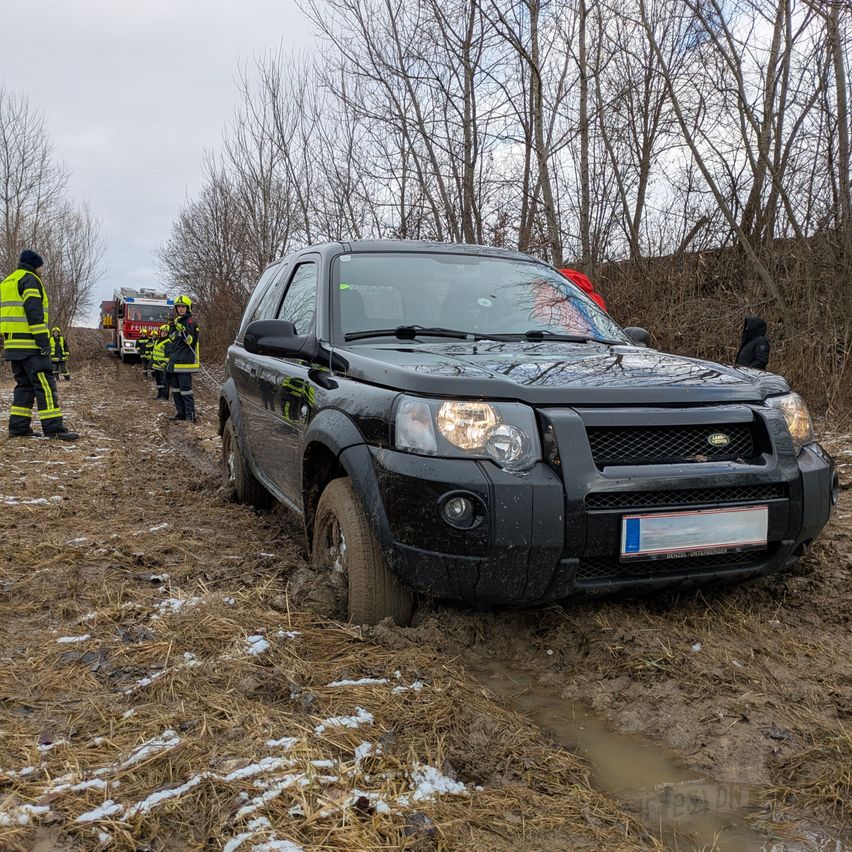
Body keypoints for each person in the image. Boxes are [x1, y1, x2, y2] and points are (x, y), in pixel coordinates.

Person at [0, 250, 79, 439]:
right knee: (45, 386)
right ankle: (54, 429)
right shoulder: (30, 280)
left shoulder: (7, 282)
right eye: (41, 266)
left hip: (12, 345)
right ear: (35, 265)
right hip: (31, 345)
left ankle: (18, 428)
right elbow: (34, 313)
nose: (42, 270)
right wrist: (44, 342)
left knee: (24, 386)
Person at [168, 295, 200, 421]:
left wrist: (183, 331)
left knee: (185, 390)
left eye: (183, 306)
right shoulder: (177, 322)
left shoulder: (190, 322)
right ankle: (180, 413)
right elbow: (172, 338)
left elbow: (189, 341)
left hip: (184, 362)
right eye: (178, 306)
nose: (180, 309)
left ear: (188, 308)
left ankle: (190, 415)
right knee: (176, 390)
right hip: (175, 361)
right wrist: (173, 327)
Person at [151, 324, 172, 400]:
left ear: (168, 334)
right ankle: (159, 395)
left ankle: (164, 396)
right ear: (160, 332)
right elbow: (154, 352)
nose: (164, 333)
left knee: (164, 382)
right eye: (163, 332)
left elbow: (168, 354)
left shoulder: (168, 342)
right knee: (158, 382)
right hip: (156, 365)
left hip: (162, 365)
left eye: (166, 332)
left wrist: (165, 363)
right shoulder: (157, 340)